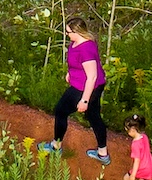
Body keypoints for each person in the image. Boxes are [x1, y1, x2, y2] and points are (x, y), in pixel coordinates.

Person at [39, 17, 110, 162]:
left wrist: (84, 100)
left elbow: (92, 76)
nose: (67, 34)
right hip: (89, 84)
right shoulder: (77, 42)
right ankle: (103, 153)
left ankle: (56, 146)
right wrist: (70, 73)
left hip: (85, 87)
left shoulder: (85, 49)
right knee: (94, 117)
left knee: (60, 111)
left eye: (68, 32)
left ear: (77, 32)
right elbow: (77, 62)